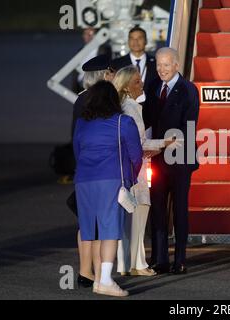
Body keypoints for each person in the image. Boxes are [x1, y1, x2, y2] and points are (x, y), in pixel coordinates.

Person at [73, 80, 143, 296]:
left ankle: (96, 278)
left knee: (91, 230)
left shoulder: (82, 124)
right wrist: (130, 178)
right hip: (111, 180)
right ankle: (104, 280)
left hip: (84, 181)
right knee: (110, 231)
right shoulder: (124, 122)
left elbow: (77, 152)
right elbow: (136, 156)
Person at [112, 66, 176, 276]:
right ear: (128, 87)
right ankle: (137, 265)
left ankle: (125, 264)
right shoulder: (131, 109)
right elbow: (140, 144)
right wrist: (165, 143)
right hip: (136, 170)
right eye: (138, 81)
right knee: (138, 216)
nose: (142, 85)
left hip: (124, 170)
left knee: (127, 221)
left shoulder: (120, 107)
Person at [144, 47, 199, 275]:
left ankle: (180, 260)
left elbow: (189, 125)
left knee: (179, 210)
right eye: (158, 65)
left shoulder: (188, 90)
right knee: (157, 209)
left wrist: (165, 146)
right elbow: (147, 119)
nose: (162, 69)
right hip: (157, 159)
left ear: (176, 64)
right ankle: (160, 259)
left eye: (166, 65)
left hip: (179, 159)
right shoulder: (154, 87)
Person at [69, 55, 117, 288]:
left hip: (84, 171)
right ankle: (98, 275)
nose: (112, 75)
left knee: (86, 224)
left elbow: (75, 138)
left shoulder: (81, 99)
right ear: (102, 75)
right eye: (109, 72)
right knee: (99, 225)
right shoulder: (100, 100)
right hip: (100, 171)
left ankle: (85, 271)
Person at [112, 26, 158, 95]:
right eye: (132, 38)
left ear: (146, 41)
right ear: (128, 41)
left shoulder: (156, 63)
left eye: (139, 38)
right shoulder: (117, 64)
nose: (135, 41)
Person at [71, 28, 112, 94]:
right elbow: (75, 71)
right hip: (80, 87)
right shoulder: (80, 50)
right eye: (85, 33)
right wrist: (74, 87)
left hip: (97, 86)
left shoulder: (105, 49)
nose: (88, 36)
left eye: (91, 33)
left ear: (97, 35)